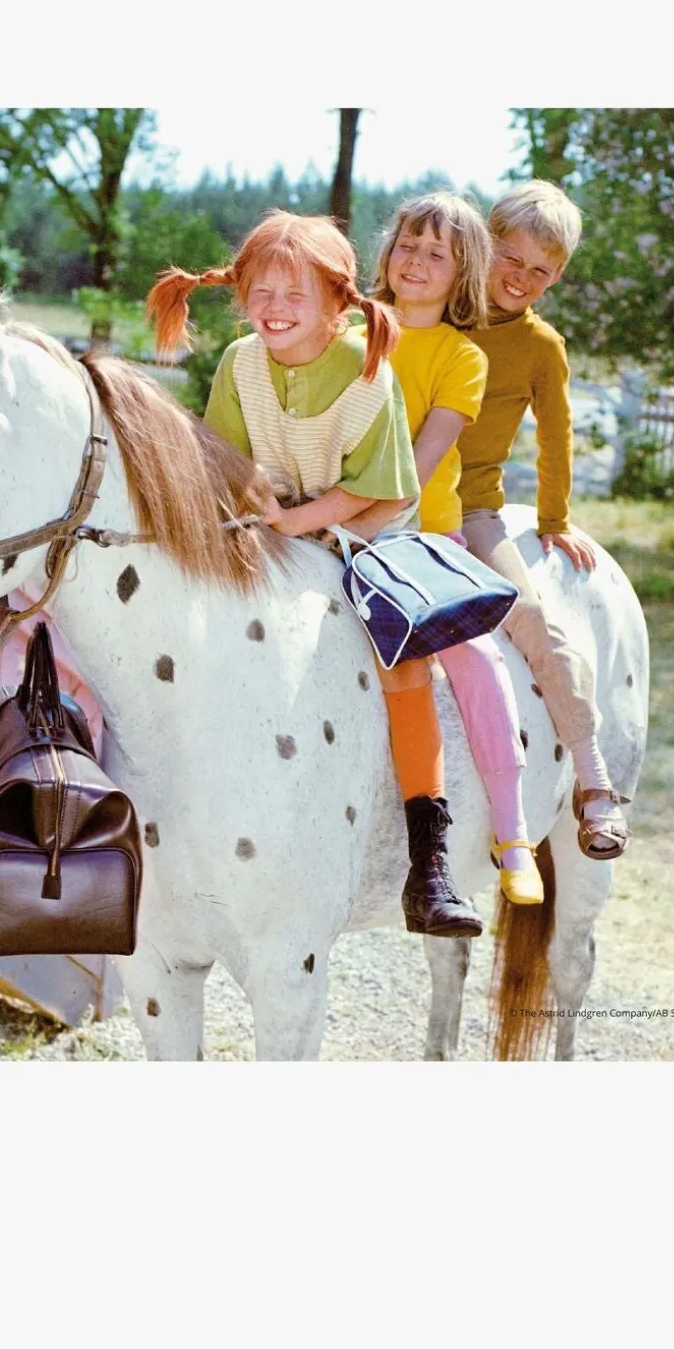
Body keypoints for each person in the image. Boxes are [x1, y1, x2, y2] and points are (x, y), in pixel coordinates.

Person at [146, 210, 482, 936]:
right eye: (261, 292)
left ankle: (429, 857)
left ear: (337, 303)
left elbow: (374, 489)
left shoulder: (368, 370)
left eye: (294, 294)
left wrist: (295, 522)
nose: (274, 308)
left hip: (368, 526)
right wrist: (254, 506)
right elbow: (228, 461)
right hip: (276, 519)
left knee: (403, 661)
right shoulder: (240, 364)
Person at [372, 191, 543, 908]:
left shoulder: (461, 357)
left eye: (435, 254)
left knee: (475, 656)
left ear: (462, 272)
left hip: (418, 540)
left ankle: (512, 830)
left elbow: (413, 470)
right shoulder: (348, 331)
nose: (415, 261)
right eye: (407, 245)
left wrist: (346, 519)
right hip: (330, 527)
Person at [456, 178, 630, 858]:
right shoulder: (434, 308)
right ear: (485, 242)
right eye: (512, 258)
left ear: (557, 277)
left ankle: (593, 777)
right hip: (385, 498)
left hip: (471, 509)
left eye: (541, 271)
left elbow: (556, 438)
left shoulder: (541, 346)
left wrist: (553, 519)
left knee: (531, 619)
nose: (522, 278)